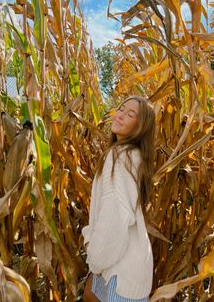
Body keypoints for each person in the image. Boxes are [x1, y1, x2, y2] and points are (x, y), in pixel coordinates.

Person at [82, 96, 155, 302]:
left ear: (141, 127)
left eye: (130, 114)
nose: (120, 115)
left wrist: (94, 258)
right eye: (121, 109)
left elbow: (116, 216)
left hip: (119, 273)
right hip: (128, 270)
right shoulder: (135, 156)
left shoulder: (120, 157)